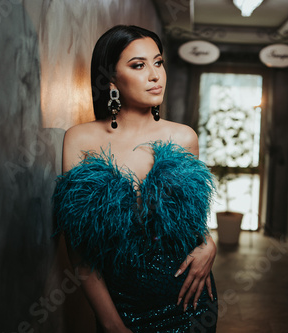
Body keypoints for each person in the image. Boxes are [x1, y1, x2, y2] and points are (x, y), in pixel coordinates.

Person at [53, 25, 218, 333]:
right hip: (121, 305)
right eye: (138, 65)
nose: (155, 75)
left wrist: (209, 244)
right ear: (111, 78)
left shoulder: (184, 137)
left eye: (158, 62)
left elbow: (191, 221)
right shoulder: (80, 139)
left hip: (188, 301)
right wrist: (112, 323)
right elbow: (78, 249)